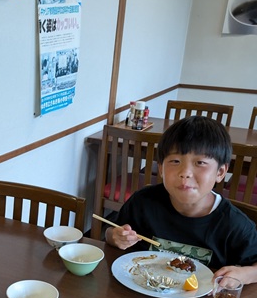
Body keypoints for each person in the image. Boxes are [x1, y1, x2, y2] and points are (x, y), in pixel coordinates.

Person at [105, 116, 257, 285]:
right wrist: (115, 237)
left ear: (220, 172)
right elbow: (111, 232)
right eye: (175, 161)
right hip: (143, 290)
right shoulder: (143, 202)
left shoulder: (234, 225)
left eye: (200, 162)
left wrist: (244, 274)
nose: (185, 172)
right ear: (161, 168)